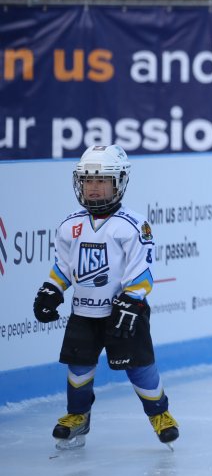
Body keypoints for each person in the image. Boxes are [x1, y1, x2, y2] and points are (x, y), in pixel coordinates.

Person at [32, 145, 180, 450]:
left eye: (102, 180)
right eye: (88, 180)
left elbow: (142, 273)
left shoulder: (134, 226)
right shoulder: (69, 226)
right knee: (78, 367)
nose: (94, 188)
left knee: (139, 365)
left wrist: (132, 300)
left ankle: (160, 414)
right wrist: (52, 289)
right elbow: (63, 267)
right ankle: (78, 417)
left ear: (119, 182)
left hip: (123, 311)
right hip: (83, 312)